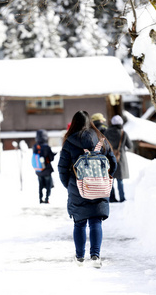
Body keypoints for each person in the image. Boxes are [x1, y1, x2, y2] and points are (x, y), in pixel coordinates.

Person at [58, 111, 117, 267]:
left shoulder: (70, 142)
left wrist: (70, 185)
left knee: (79, 223)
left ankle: (79, 258)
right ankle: (95, 256)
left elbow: (62, 168)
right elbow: (113, 163)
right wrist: (104, 178)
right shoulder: (101, 139)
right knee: (96, 222)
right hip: (100, 186)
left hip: (77, 187)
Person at [105, 115, 133, 203]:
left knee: (111, 179)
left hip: (109, 158)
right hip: (120, 158)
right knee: (120, 180)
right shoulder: (123, 133)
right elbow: (130, 145)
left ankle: (112, 198)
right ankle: (122, 198)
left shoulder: (106, 132)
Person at [33, 129, 56, 204]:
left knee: (40, 185)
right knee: (48, 185)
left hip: (38, 170)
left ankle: (40, 198)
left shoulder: (35, 146)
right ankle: (46, 199)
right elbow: (51, 158)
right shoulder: (47, 147)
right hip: (47, 170)